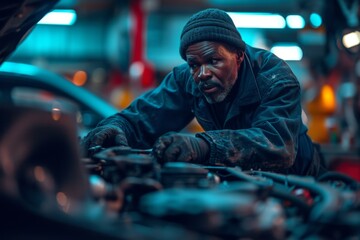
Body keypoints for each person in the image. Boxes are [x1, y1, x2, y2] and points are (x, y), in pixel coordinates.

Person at [82, 8, 325, 176]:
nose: (202, 73)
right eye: (194, 64)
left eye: (214, 60)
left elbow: (277, 145)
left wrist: (204, 146)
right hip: (243, 179)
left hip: (299, 179)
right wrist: (115, 126)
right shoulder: (187, 78)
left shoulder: (275, 78)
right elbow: (143, 119)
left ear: (238, 56)